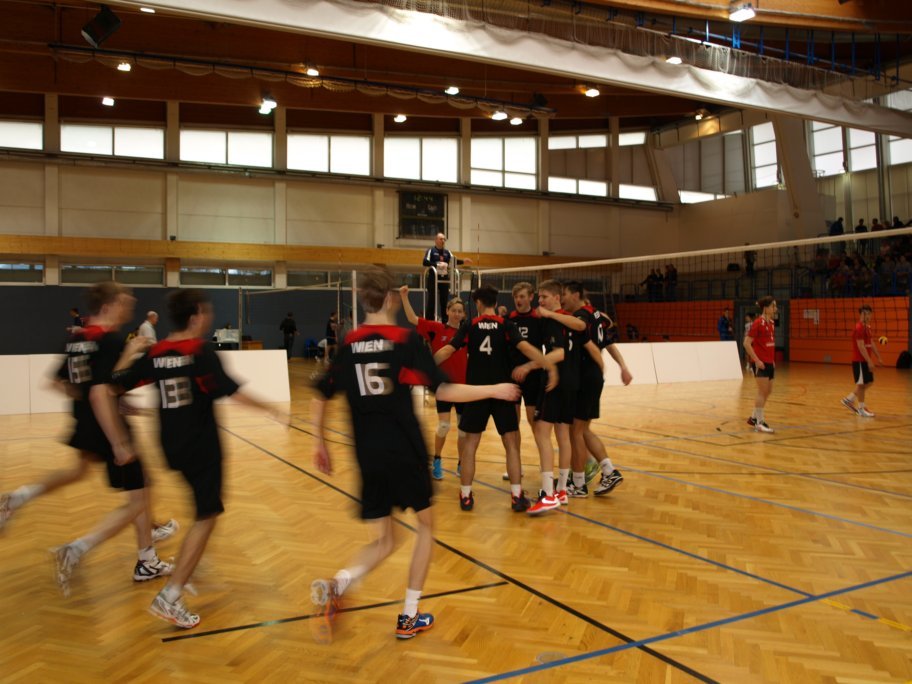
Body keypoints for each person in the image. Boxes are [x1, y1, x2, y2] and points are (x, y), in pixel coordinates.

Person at [309, 267, 520, 642]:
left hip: (368, 455)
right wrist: (493, 389)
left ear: (363, 300)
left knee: (386, 541)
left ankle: (340, 583)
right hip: (405, 451)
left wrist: (319, 443)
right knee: (425, 528)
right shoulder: (405, 341)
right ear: (391, 298)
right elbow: (445, 391)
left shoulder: (349, 344)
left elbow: (319, 395)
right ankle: (409, 615)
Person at [113, 289, 285, 629]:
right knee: (206, 515)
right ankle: (171, 594)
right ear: (194, 317)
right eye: (205, 312)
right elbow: (230, 391)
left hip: (170, 445)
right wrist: (270, 409)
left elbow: (115, 383)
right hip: (201, 446)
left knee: (204, 510)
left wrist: (128, 359)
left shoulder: (156, 353)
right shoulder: (200, 351)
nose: (208, 318)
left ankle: (182, 575)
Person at [0, 282, 174, 596]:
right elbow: (102, 390)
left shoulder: (77, 338)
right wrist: (116, 435)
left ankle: (18, 498)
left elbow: (58, 383)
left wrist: (96, 401)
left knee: (82, 471)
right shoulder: (110, 341)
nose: (130, 305)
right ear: (108, 305)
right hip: (109, 427)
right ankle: (79, 549)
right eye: (124, 301)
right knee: (139, 497)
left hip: (86, 422)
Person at [434, 285, 556, 513]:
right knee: (511, 444)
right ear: (495, 302)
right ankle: (516, 496)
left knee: (470, 445)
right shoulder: (506, 324)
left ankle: (466, 495)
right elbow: (527, 348)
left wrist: (424, 369)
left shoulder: (470, 325)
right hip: (503, 392)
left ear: (478, 303)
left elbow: (448, 350)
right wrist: (549, 365)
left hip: (476, 393)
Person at [561, 283, 630, 498]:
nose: (562, 298)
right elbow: (609, 343)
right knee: (583, 430)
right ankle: (607, 470)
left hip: (585, 377)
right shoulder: (597, 315)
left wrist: (601, 364)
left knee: (576, 431)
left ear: (576, 295)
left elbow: (590, 345)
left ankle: (579, 483)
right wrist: (623, 367)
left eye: (564, 294)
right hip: (593, 377)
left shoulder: (581, 317)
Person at [399, 285, 467, 481]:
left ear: (463, 314)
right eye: (454, 310)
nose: (457, 314)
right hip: (444, 386)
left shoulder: (467, 332)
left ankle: (462, 463)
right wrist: (404, 297)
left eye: (460, 311)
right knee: (443, 426)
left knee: (463, 430)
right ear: (447, 311)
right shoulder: (437, 329)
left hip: (463, 388)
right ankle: (437, 460)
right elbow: (412, 319)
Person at [840, 305, 883, 418]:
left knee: (869, 382)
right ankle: (861, 409)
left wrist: (878, 357)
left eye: (869, 313)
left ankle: (849, 400)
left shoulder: (867, 327)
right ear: (860, 315)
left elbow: (871, 343)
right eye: (864, 313)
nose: (867, 316)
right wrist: (869, 361)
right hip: (859, 360)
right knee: (862, 385)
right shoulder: (859, 328)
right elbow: (861, 347)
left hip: (864, 360)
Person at [743, 296, 777, 433]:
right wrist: (756, 360)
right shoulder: (758, 323)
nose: (775, 309)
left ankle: (753, 417)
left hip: (769, 362)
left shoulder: (772, 323)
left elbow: (769, 344)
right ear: (766, 308)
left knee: (768, 391)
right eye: (773, 306)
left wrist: (772, 360)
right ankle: (759, 422)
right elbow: (746, 343)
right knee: (762, 392)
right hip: (760, 363)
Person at [422, 233, 471, 321]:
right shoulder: (431, 250)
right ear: (436, 240)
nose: (443, 241)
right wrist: (437, 264)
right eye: (441, 239)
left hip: (444, 278)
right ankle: (429, 320)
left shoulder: (447, 252)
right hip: (433, 277)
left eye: (444, 239)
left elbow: (454, 260)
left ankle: (445, 321)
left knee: (444, 301)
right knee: (432, 300)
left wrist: (463, 261)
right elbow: (425, 262)